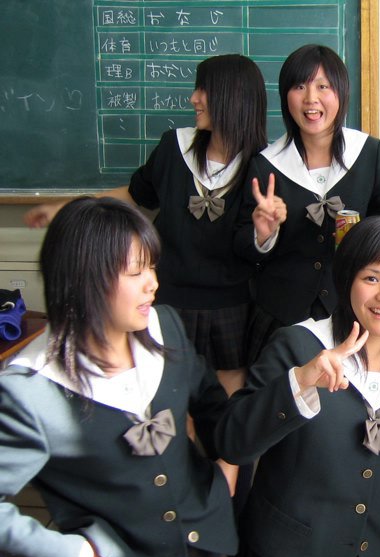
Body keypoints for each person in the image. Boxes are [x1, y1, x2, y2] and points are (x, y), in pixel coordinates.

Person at [0, 197, 237, 557]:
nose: (153, 283)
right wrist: (58, 552)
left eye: (152, 267)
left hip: (204, 552)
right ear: (85, 279)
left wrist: (228, 462)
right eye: (135, 271)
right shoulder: (31, 389)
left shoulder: (166, 329)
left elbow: (213, 404)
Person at [24, 54, 268, 397]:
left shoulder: (264, 164)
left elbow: (254, 246)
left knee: (227, 383)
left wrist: (267, 228)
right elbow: (134, 194)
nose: (193, 98)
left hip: (230, 301)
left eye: (203, 89)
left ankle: (221, 451)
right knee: (167, 381)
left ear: (232, 96)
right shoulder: (174, 147)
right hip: (166, 295)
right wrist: (70, 207)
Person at [216, 216, 380, 557]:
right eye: (371, 278)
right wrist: (298, 382)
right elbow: (233, 441)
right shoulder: (296, 346)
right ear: (346, 279)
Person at [236, 44, 380, 363]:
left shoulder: (368, 154)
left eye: (323, 86)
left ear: (341, 93)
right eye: (299, 86)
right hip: (281, 315)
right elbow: (240, 246)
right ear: (286, 97)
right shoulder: (265, 165)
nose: (311, 98)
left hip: (353, 312)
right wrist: (263, 234)